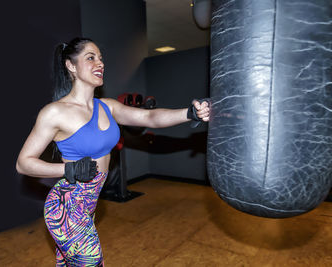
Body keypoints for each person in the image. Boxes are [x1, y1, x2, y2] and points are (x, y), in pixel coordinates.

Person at [16, 37, 210, 267]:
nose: (100, 63)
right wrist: (68, 168)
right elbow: (23, 163)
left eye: (101, 58)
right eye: (91, 58)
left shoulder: (106, 106)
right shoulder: (55, 112)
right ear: (71, 65)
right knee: (93, 262)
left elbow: (149, 117)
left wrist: (189, 113)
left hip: (88, 205)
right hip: (66, 207)